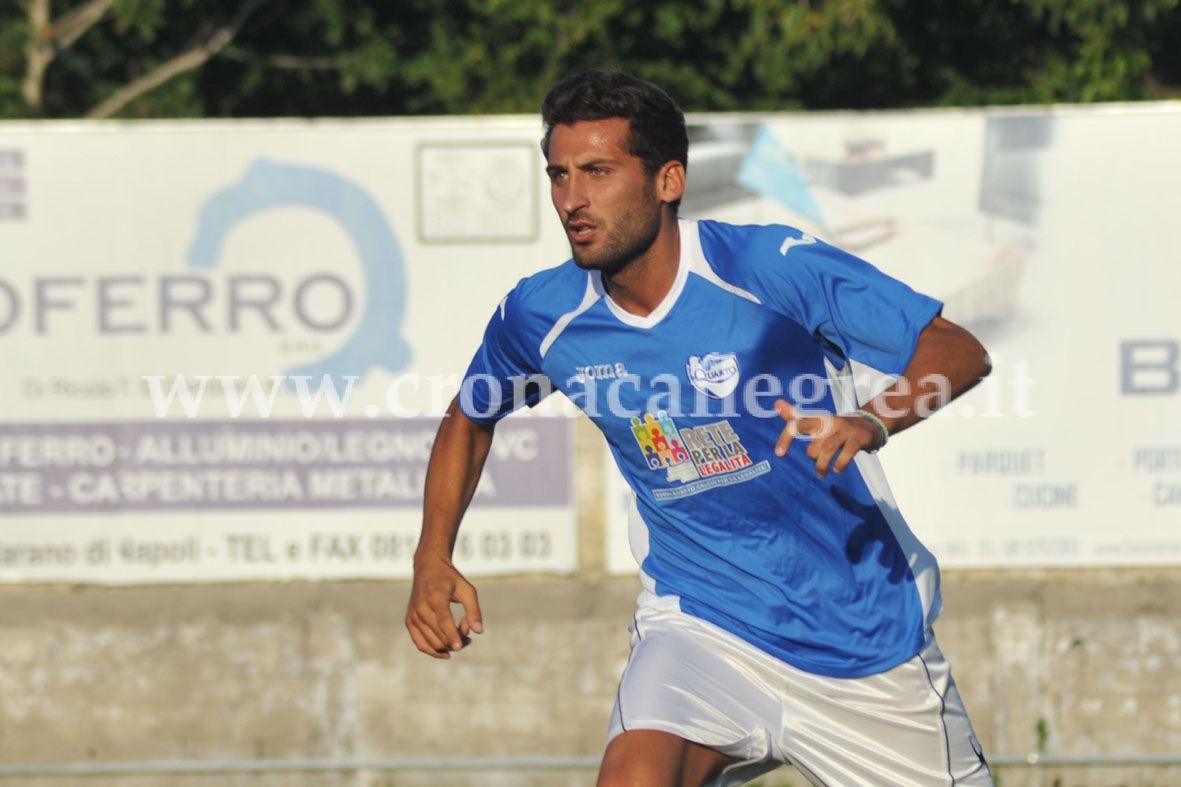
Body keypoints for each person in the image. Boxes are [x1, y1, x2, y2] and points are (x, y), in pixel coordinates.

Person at [406, 69, 995, 787]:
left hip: (862, 641)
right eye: (557, 175)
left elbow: (956, 349)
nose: (570, 199)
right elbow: (470, 415)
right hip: (701, 625)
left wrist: (872, 419)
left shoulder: (761, 267)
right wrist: (431, 556)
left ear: (667, 181)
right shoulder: (544, 314)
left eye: (597, 171)